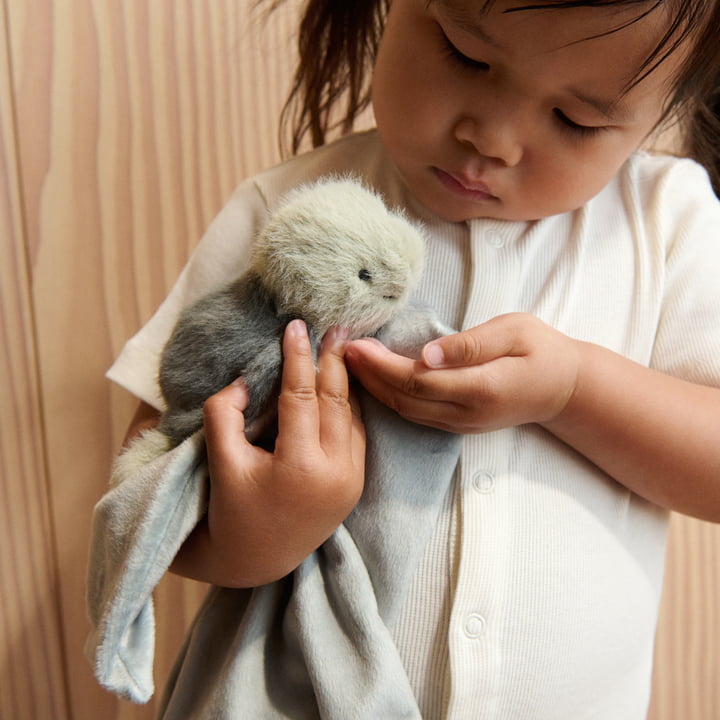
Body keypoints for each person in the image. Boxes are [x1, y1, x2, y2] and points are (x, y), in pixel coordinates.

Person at [94, 1, 720, 718]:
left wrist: (576, 390)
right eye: (466, 55)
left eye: (577, 120)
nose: (493, 139)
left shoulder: (668, 222)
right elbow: (146, 484)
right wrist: (266, 529)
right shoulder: (291, 215)